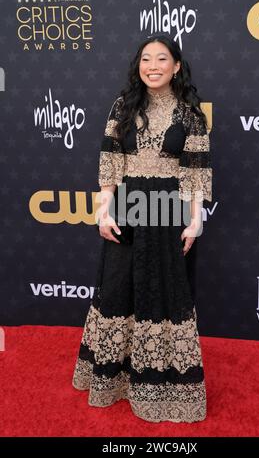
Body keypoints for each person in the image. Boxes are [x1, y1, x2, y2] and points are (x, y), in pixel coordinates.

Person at [72, 34, 212, 423]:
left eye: (161, 59)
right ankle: (112, 381)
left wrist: (195, 219)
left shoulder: (190, 115)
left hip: (169, 208)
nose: (153, 65)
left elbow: (196, 172)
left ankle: (163, 384)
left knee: (163, 291)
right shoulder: (123, 106)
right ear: (139, 66)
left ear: (176, 67)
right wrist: (104, 211)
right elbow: (109, 163)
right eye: (146, 59)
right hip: (128, 203)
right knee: (118, 286)